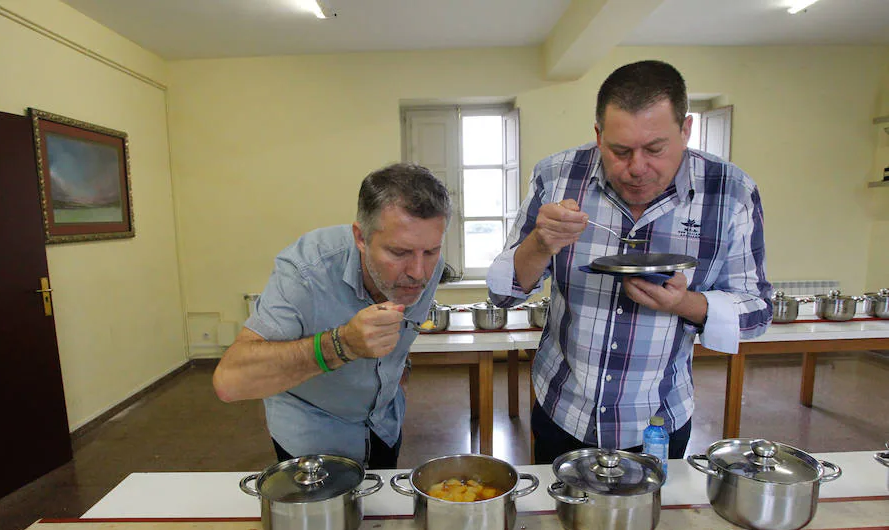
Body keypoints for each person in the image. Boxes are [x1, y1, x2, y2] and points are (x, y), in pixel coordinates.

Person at [487, 60, 772, 464]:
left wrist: (683, 304)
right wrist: (538, 244)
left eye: (655, 149)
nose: (637, 169)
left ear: (686, 130)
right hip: (563, 409)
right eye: (619, 151)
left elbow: (758, 311)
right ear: (598, 135)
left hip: (658, 418)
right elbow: (502, 296)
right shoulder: (557, 176)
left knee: (649, 523)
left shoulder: (731, 192)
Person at [213, 163, 451, 468]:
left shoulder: (428, 264)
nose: (419, 273)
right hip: (312, 437)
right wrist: (342, 345)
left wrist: (394, 377)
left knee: (379, 513)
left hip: (384, 426)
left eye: (430, 252)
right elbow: (230, 382)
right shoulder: (306, 269)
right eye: (399, 253)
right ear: (361, 237)